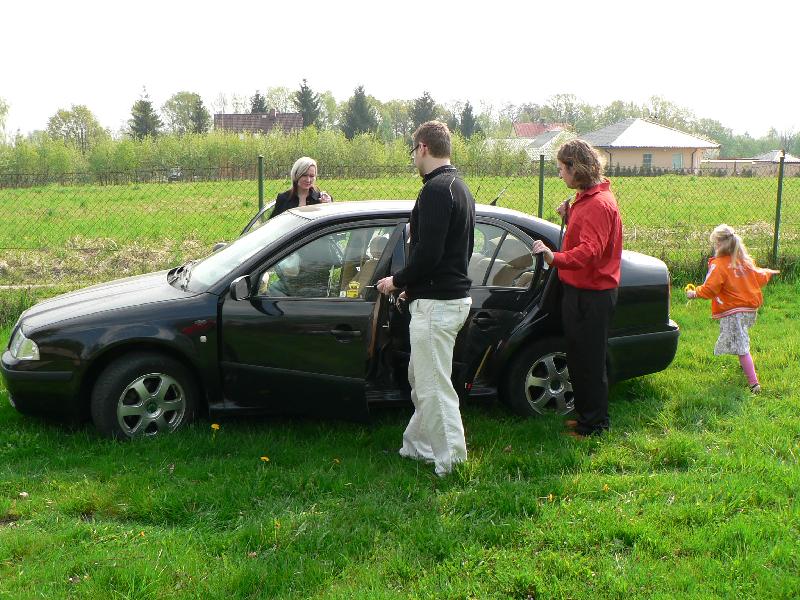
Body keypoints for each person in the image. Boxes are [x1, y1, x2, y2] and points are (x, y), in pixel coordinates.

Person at [376, 121, 475, 477]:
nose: (413, 159)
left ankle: (453, 464)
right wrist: (413, 287)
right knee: (422, 379)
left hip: (437, 306)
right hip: (444, 298)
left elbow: (429, 253)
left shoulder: (435, 190)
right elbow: (453, 252)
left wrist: (397, 280)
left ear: (422, 147)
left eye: (413, 152)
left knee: (434, 388)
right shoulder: (459, 187)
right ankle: (416, 447)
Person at [532, 139, 623, 438]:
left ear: (576, 168)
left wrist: (554, 258)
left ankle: (595, 425)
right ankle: (586, 416)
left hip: (592, 295)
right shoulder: (585, 199)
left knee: (590, 362)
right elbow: (588, 234)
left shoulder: (598, 204)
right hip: (580, 291)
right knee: (579, 357)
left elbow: (591, 251)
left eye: (562, 168)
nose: (559, 174)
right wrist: (569, 216)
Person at [686, 224, 778, 393]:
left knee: (741, 347)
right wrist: (768, 272)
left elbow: (710, 289)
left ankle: (754, 384)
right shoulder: (745, 262)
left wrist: (695, 293)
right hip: (750, 310)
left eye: (715, 243)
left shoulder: (719, 265)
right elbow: (759, 276)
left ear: (719, 244)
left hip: (734, 311)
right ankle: (744, 366)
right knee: (740, 338)